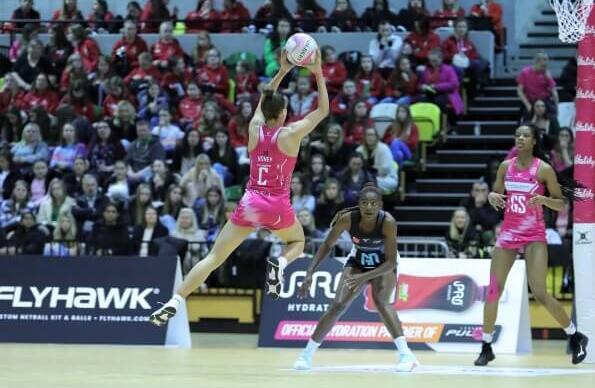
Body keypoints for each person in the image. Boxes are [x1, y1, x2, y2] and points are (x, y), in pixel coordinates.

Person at [149, 48, 329, 326]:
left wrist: (282, 71)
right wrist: (316, 71)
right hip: (278, 207)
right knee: (298, 241)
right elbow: (323, 110)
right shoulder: (292, 133)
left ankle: (176, 299)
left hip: (250, 205)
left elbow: (264, 99)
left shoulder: (254, 130)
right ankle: (279, 266)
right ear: (283, 113)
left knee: (214, 257)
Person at [475, 123, 588, 366]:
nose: (521, 139)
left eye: (526, 136)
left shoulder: (543, 169)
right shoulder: (506, 167)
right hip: (508, 233)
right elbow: (497, 197)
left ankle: (575, 335)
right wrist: (493, 197)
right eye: (518, 135)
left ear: (534, 141)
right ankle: (486, 345)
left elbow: (561, 204)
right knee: (494, 289)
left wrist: (545, 199)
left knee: (540, 292)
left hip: (534, 234)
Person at [293, 184, 417, 371]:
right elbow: (327, 245)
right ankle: (306, 355)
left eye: (373, 203)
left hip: (383, 264)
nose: (369, 207)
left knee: (381, 301)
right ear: (359, 204)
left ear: (380, 205)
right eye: (365, 203)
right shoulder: (347, 219)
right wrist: (310, 272)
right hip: (358, 260)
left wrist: (364, 278)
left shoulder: (388, 222)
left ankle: (406, 355)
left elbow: (391, 263)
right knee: (337, 305)